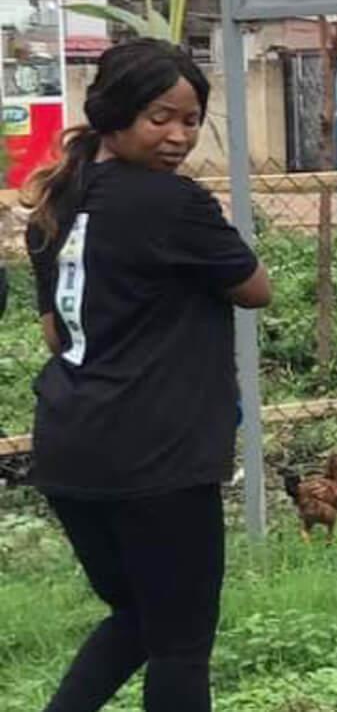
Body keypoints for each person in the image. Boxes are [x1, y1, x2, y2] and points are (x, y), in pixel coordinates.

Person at [23, 38, 271, 712]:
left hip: (72, 447)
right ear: (116, 111)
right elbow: (255, 288)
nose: (179, 136)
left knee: (139, 617)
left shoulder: (57, 198)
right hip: (157, 453)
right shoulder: (172, 203)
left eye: (192, 121)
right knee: (181, 643)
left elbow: (55, 330)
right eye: (161, 117)